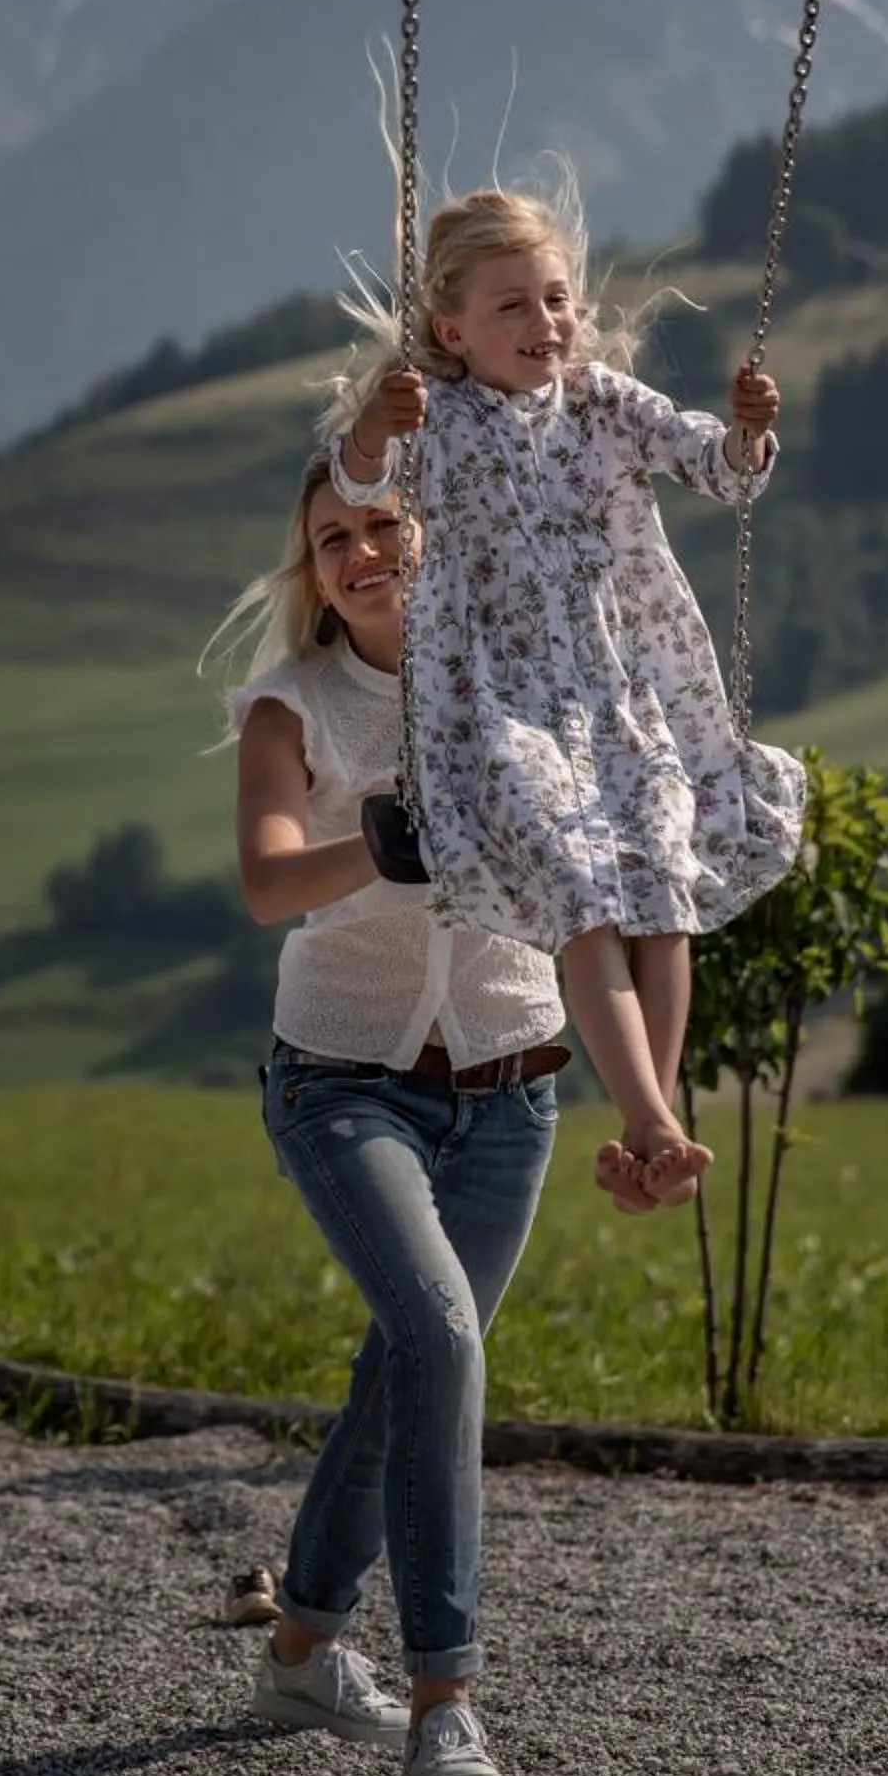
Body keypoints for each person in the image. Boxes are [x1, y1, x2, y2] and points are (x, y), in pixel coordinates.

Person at [332, 178, 808, 1212]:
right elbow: (360, 482)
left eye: (554, 299)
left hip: (623, 692)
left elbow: (721, 477)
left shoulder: (600, 402)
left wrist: (745, 432)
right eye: (512, 306)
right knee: (582, 886)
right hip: (501, 704)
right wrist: (376, 420)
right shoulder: (439, 414)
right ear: (450, 328)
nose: (543, 323)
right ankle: (649, 1118)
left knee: (660, 884)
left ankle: (655, 1121)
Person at [220, 446, 574, 1776]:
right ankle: (446, 1704)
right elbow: (263, 881)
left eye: (384, 524)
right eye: (332, 541)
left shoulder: (517, 676)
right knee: (438, 1342)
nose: (363, 553)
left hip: (513, 1082)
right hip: (343, 1080)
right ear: (308, 573)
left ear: (434, 531)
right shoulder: (289, 704)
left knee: (406, 1368)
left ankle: (302, 1647)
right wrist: (381, 840)